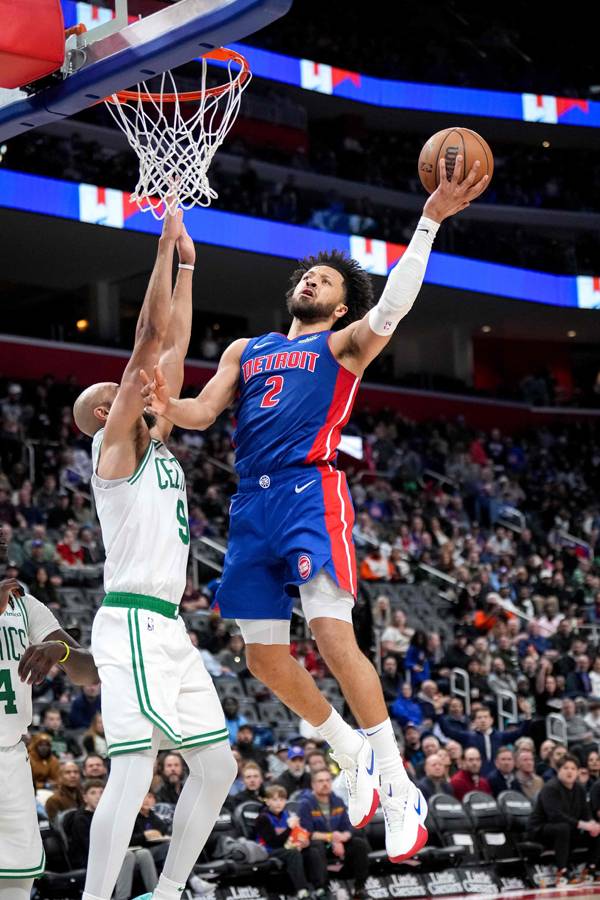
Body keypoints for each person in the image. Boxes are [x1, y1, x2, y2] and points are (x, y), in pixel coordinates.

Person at [142, 156, 487, 863]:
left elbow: (393, 308)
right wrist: (161, 404)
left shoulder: (344, 345)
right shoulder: (248, 348)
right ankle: (346, 748)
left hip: (309, 492)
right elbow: (201, 412)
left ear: (339, 307)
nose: (311, 281)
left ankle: (398, 784)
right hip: (250, 504)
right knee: (262, 657)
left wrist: (428, 223)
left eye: (325, 281)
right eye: (308, 276)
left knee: (332, 635)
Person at [72, 211, 236, 900]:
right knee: (134, 768)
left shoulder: (155, 437)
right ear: (103, 415)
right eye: (119, 392)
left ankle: (166, 893)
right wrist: (162, 249)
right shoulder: (114, 447)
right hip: (133, 621)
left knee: (219, 767)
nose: (138, 388)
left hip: (167, 626)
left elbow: (172, 353)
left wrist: (189, 266)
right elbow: (148, 340)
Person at [0, 549, 98, 899]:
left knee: (17, 882)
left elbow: (91, 672)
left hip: (11, 757)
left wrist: (62, 651)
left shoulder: (25, 606)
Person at [69, 780, 159, 900]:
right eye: (93, 793)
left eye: (101, 792)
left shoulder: (110, 814)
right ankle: (122, 897)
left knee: (144, 853)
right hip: (91, 858)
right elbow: (90, 847)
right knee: (127, 856)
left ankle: (157, 895)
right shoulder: (80, 819)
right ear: (85, 798)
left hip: (113, 853)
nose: (98, 796)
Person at [299, 769, 370, 900]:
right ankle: (323, 890)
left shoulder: (337, 801)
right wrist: (333, 838)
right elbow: (307, 833)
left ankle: (359, 888)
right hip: (318, 845)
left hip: (337, 844)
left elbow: (348, 826)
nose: (325, 784)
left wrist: (344, 837)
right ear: (313, 785)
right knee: (316, 848)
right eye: (320, 781)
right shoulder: (305, 804)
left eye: (327, 780)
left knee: (359, 844)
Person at [530, 754, 600, 883]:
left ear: (578, 772)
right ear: (558, 770)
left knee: (596, 830)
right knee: (563, 827)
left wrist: (592, 824)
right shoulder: (550, 788)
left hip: (569, 829)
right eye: (566, 768)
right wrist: (584, 825)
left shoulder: (579, 788)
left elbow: (585, 812)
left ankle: (591, 867)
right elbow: (555, 816)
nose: (570, 771)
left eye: (573, 769)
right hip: (542, 830)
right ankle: (562, 871)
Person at [255, 785, 328, 900]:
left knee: (313, 850)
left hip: (288, 847)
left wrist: (304, 842)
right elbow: (274, 843)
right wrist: (290, 828)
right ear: (267, 801)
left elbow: (299, 834)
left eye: (282, 799)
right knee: (293, 853)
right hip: (269, 850)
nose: (279, 803)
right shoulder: (262, 818)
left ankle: (320, 888)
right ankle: (302, 891)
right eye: (275, 800)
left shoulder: (289, 815)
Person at [439, 704, 530, 777]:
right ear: (474, 721)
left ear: (491, 720)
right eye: (479, 718)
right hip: (476, 777)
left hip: (497, 777)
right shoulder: (468, 737)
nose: (483, 720)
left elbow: (520, 732)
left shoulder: (501, 736)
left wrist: (527, 716)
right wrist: (439, 712)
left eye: (486, 717)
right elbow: (448, 731)